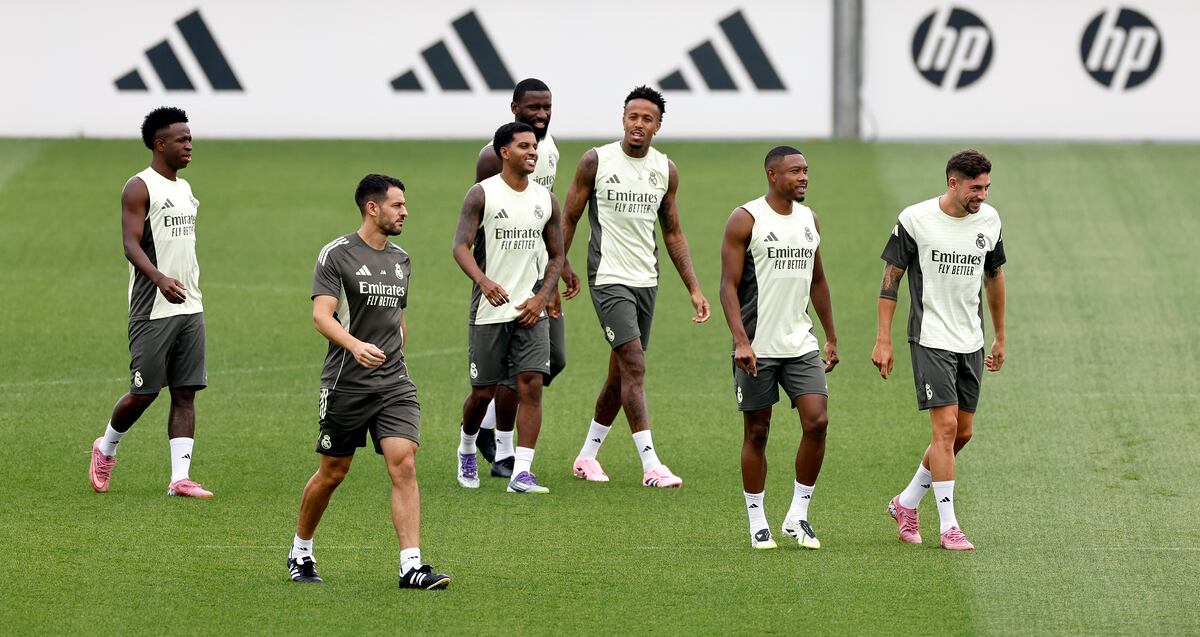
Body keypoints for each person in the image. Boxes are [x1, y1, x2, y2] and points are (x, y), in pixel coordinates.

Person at [286, 174, 449, 589]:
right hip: (347, 383)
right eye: (397, 205)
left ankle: (411, 566)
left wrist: (396, 356)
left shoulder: (402, 259)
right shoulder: (336, 255)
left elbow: (397, 319)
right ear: (372, 208)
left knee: (404, 463)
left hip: (394, 383)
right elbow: (321, 316)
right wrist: (355, 346)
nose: (405, 212)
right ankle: (300, 550)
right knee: (333, 472)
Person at [561, 85, 710, 488]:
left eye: (647, 119)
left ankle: (586, 457)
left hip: (647, 280)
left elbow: (673, 232)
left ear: (658, 126)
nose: (638, 124)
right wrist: (556, 269)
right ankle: (651, 465)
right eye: (633, 117)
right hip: (608, 277)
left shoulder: (665, 170)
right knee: (635, 364)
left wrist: (694, 288)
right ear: (623, 119)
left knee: (620, 373)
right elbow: (569, 217)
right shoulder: (596, 161)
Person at [872, 149, 1006, 551]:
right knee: (945, 428)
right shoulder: (915, 220)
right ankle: (949, 527)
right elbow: (890, 281)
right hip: (930, 338)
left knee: (962, 433)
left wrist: (1000, 336)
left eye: (986, 187)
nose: (982, 195)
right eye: (975, 188)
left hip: (972, 340)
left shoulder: (990, 220)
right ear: (953, 183)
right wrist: (883, 339)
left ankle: (906, 502)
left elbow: (994, 277)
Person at [88, 106, 212, 499]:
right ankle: (106, 447)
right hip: (152, 308)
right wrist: (159, 279)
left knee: (186, 391)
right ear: (160, 144)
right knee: (144, 393)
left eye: (190, 139)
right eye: (182, 140)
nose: (189, 145)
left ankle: (180, 478)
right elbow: (130, 244)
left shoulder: (185, 189)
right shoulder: (139, 187)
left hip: (189, 305)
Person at [719, 146, 839, 549]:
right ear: (773, 175)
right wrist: (740, 341)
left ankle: (797, 516)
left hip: (800, 343)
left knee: (817, 422)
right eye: (794, 171)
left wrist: (831, 336)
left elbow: (818, 281)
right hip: (757, 346)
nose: (803, 177)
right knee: (757, 432)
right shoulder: (746, 219)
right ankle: (758, 521)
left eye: (805, 170)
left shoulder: (809, 219)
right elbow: (727, 286)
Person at [453, 122, 564, 494]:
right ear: (504, 152)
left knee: (531, 385)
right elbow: (460, 247)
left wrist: (542, 296)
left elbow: (557, 255)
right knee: (483, 392)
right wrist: (483, 282)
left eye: (534, 146)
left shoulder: (546, 199)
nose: (532, 152)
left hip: (530, 310)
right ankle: (467, 447)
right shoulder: (481, 195)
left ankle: (521, 471)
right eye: (523, 146)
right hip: (489, 311)